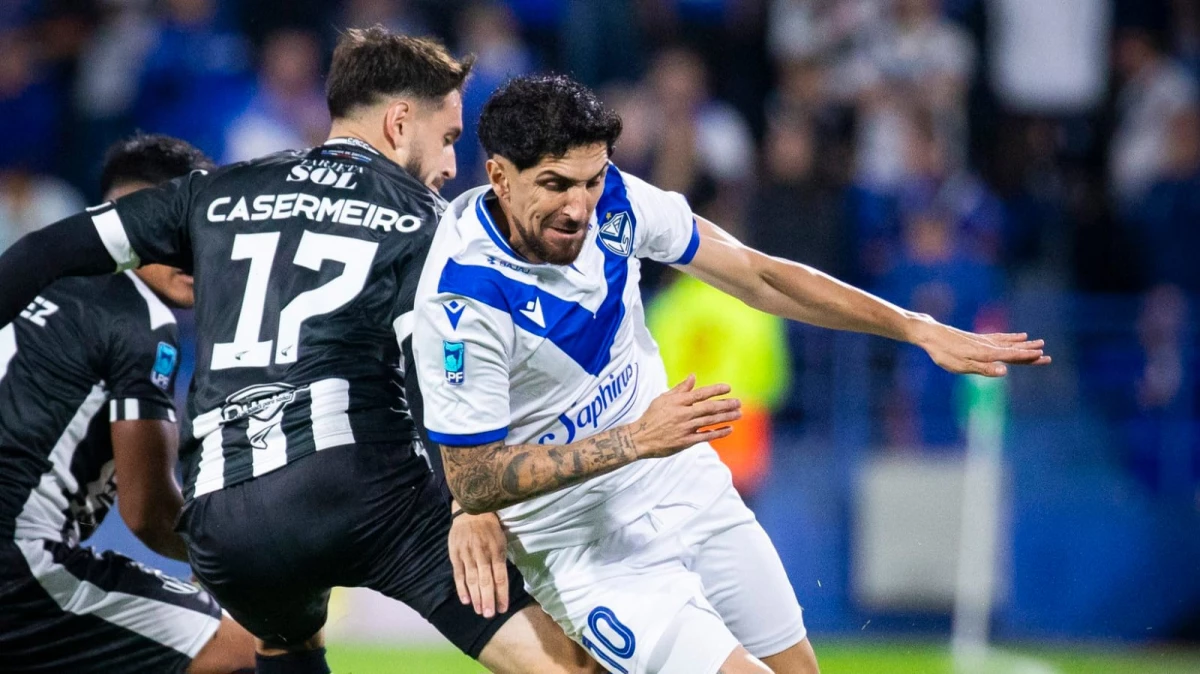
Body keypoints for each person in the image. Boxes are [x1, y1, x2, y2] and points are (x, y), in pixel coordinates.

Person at [0, 29, 596, 674]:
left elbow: (41, 253)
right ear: (400, 122)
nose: (452, 166)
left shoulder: (217, 191)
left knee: (285, 638)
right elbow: (437, 367)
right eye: (449, 138)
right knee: (567, 665)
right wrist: (467, 501)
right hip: (363, 492)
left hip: (223, 515)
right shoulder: (428, 221)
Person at [411, 75, 1050, 674]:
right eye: (555, 185)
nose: (579, 207)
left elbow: (758, 274)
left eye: (593, 180)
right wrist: (633, 440)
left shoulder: (620, 203)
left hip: (686, 485)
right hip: (585, 546)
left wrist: (917, 328)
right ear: (499, 175)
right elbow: (472, 475)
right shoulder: (463, 297)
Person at [0, 134, 255, 673]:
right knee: (248, 651)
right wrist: (233, 552)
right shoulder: (140, 321)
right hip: (19, 563)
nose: (193, 252)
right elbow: (146, 512)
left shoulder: (31, 291)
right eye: (173, 229)